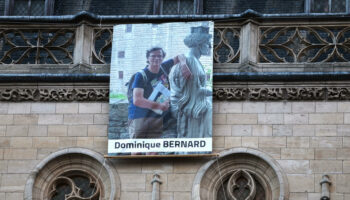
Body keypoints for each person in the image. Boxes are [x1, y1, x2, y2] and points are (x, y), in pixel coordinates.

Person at [128, 47, 191, 143]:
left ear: (162, 58)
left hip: (156, 116)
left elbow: (180, 56)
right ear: (148, 58)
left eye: (159, 56)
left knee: (153, 149)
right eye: (153, 56)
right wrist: (160, 106)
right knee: (137, 150)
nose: (156, 58)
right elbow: (137, 100)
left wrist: (183, 64)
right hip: (139, 117)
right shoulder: (141, 75)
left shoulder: (163, 67)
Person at [169, 26, 212, 139]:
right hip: (188, 109)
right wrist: (213, 92)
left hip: (191, 104)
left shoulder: (193, 60)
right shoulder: (191, 61)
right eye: (208, 43)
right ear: (199, 44)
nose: (210, 46)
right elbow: (193, 92)